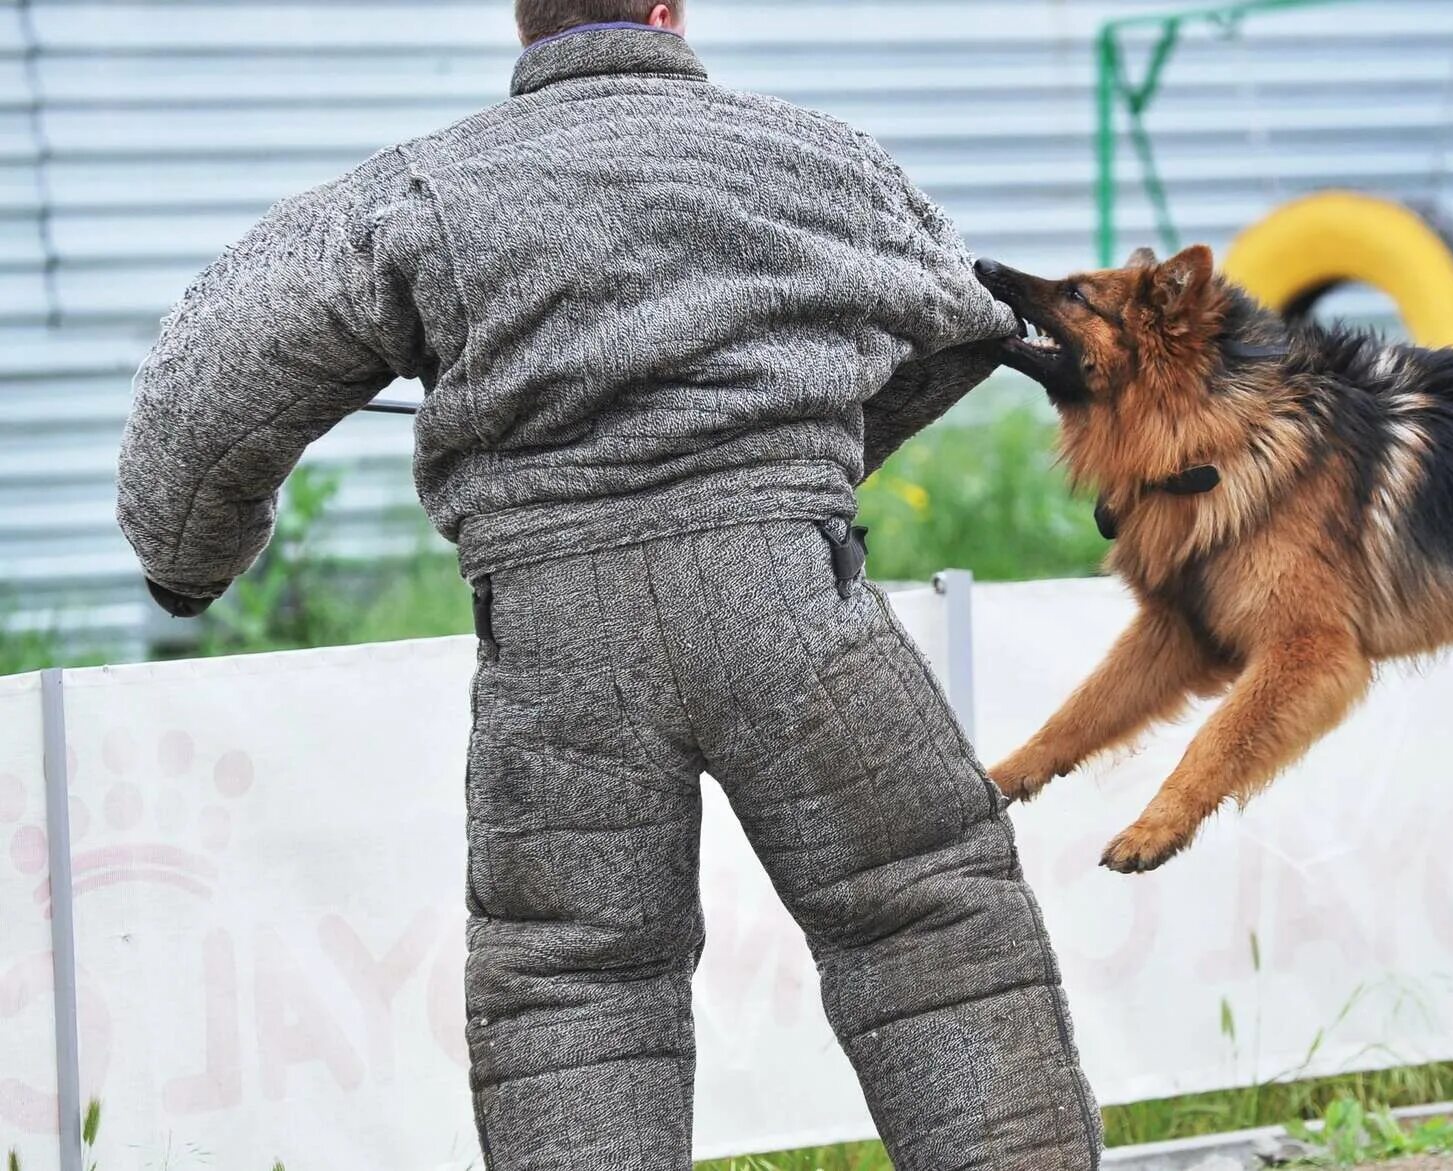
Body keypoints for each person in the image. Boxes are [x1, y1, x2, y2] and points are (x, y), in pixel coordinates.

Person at [113, 2, 1103, 1168]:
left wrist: (190, 562)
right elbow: (962, 323)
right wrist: (818, 461)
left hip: (556, 646)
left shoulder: (421, 194)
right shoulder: (820, 159)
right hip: (794, 605)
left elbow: (212, 377)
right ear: (667, 12)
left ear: (523, 19)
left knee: (574, 992)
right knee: (931, 927)